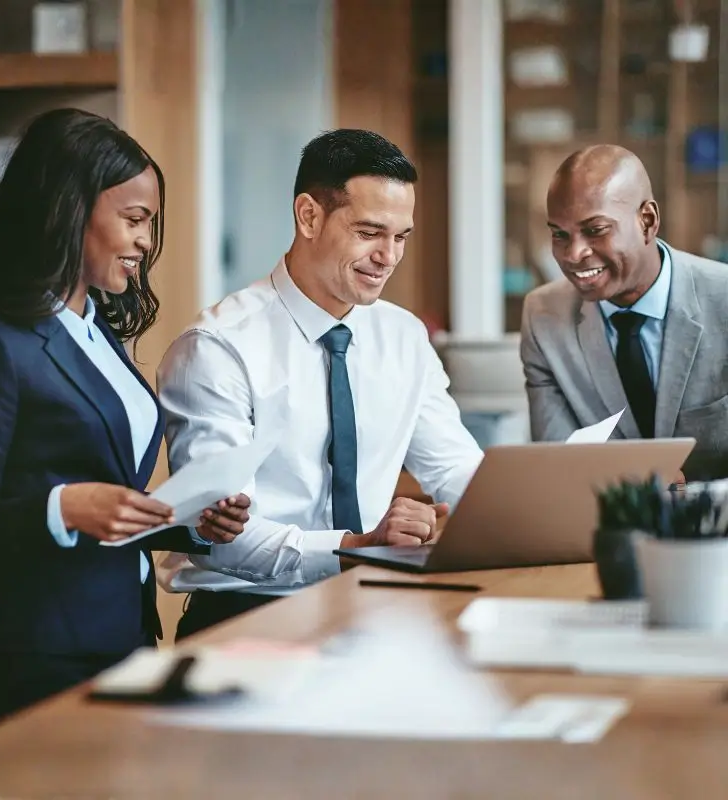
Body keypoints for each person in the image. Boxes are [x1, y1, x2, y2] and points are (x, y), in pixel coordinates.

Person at [0, 108, 249, 734]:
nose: (146, 242)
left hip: (123, 639)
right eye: (133, 220)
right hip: (32, 661)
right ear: (68, 210)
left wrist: (186, 522)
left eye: (151, 224)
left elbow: (102, 497)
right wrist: (65, 507)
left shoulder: (96, 334)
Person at [156, 128, 484, 639]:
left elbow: (455, 468)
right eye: (370, 232)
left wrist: (521, 516)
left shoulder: (403, 337)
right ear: (309, 216)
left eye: (400, 237)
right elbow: (222, 538)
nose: (389, 256)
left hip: (376, 612)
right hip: (247, 621)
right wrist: (357, 546)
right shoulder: (218, 348)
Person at [521, 144, 728, 481]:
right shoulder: (543, 316)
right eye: (560, 235)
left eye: (595, 230)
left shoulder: (723, 300)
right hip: (604, 525)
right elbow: (557, 465)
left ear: (647, 221)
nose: (574, 254)